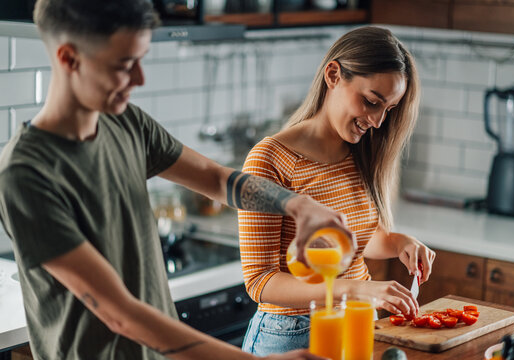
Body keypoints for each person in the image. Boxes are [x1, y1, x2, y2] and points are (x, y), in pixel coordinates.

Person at [0, 1, 350, 359]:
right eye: (124, 65)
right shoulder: (26, 174)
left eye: (141, 59)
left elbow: (214, 178)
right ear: (69, 59)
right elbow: (121, 314)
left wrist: (296, 204)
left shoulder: (125, 123)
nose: (140, 79)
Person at [238, 26, 437, 355]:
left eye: (387, 110)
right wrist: (357, 290)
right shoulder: (270, 160)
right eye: (371, 101)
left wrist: (397, 242)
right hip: (290, 335)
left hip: (357, 327)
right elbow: (261, 281)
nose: (376, 120)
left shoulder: (360, 153)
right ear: (333, 74)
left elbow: (353, 238)